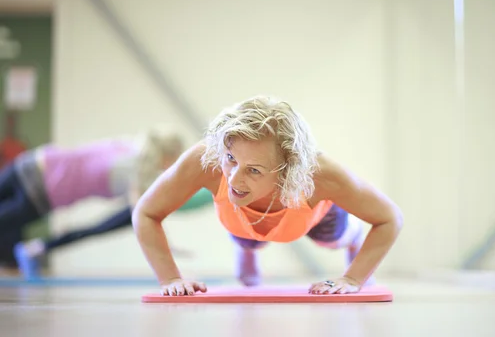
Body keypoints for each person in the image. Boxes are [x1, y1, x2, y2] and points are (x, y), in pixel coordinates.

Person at [133, 96, 404, 296]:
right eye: (231, 159)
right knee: (248, 236)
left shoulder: (319, 175)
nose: (234, 178)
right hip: (239, 219)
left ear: (288, 171)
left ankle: (351, 237)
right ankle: (248, 249)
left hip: (311, 217)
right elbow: (146, 212)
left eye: (254, 169)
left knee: (333, 238)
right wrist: (170, 279)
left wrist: (353, 279)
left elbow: (389, 218)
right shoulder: (207, 160)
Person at [0, 128, 186, 277]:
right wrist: (167, 249)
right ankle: (36, 248)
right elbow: (143, 216)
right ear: (168, 158)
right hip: (40, 193)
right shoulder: (137, 171)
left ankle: (36, 248)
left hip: (31, 162)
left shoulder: (127, 145)